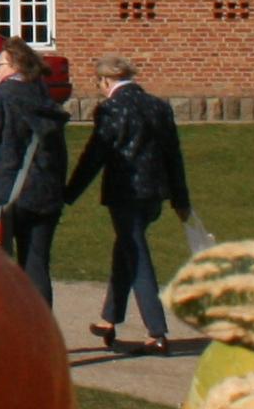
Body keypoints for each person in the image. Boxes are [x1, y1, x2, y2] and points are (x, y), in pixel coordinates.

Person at [65, 55, 194, 352]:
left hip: (125, 194)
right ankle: (110, 319)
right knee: (126, 248)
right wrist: (180, 199)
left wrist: (69, 193)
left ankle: (157, 330)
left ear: (106, 80)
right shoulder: (158, 106)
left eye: (99, 83)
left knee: (135, 253)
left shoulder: (111, 109)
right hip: (154, 193)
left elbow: (94, 156)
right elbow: (173, 155)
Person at [0, 40, 73, 300]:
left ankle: (7, 334)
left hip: (1, 196)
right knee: (37, 267)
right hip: (44, 196)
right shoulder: (46, 102)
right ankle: (42, 336)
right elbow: (59, 155)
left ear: (12, 66)